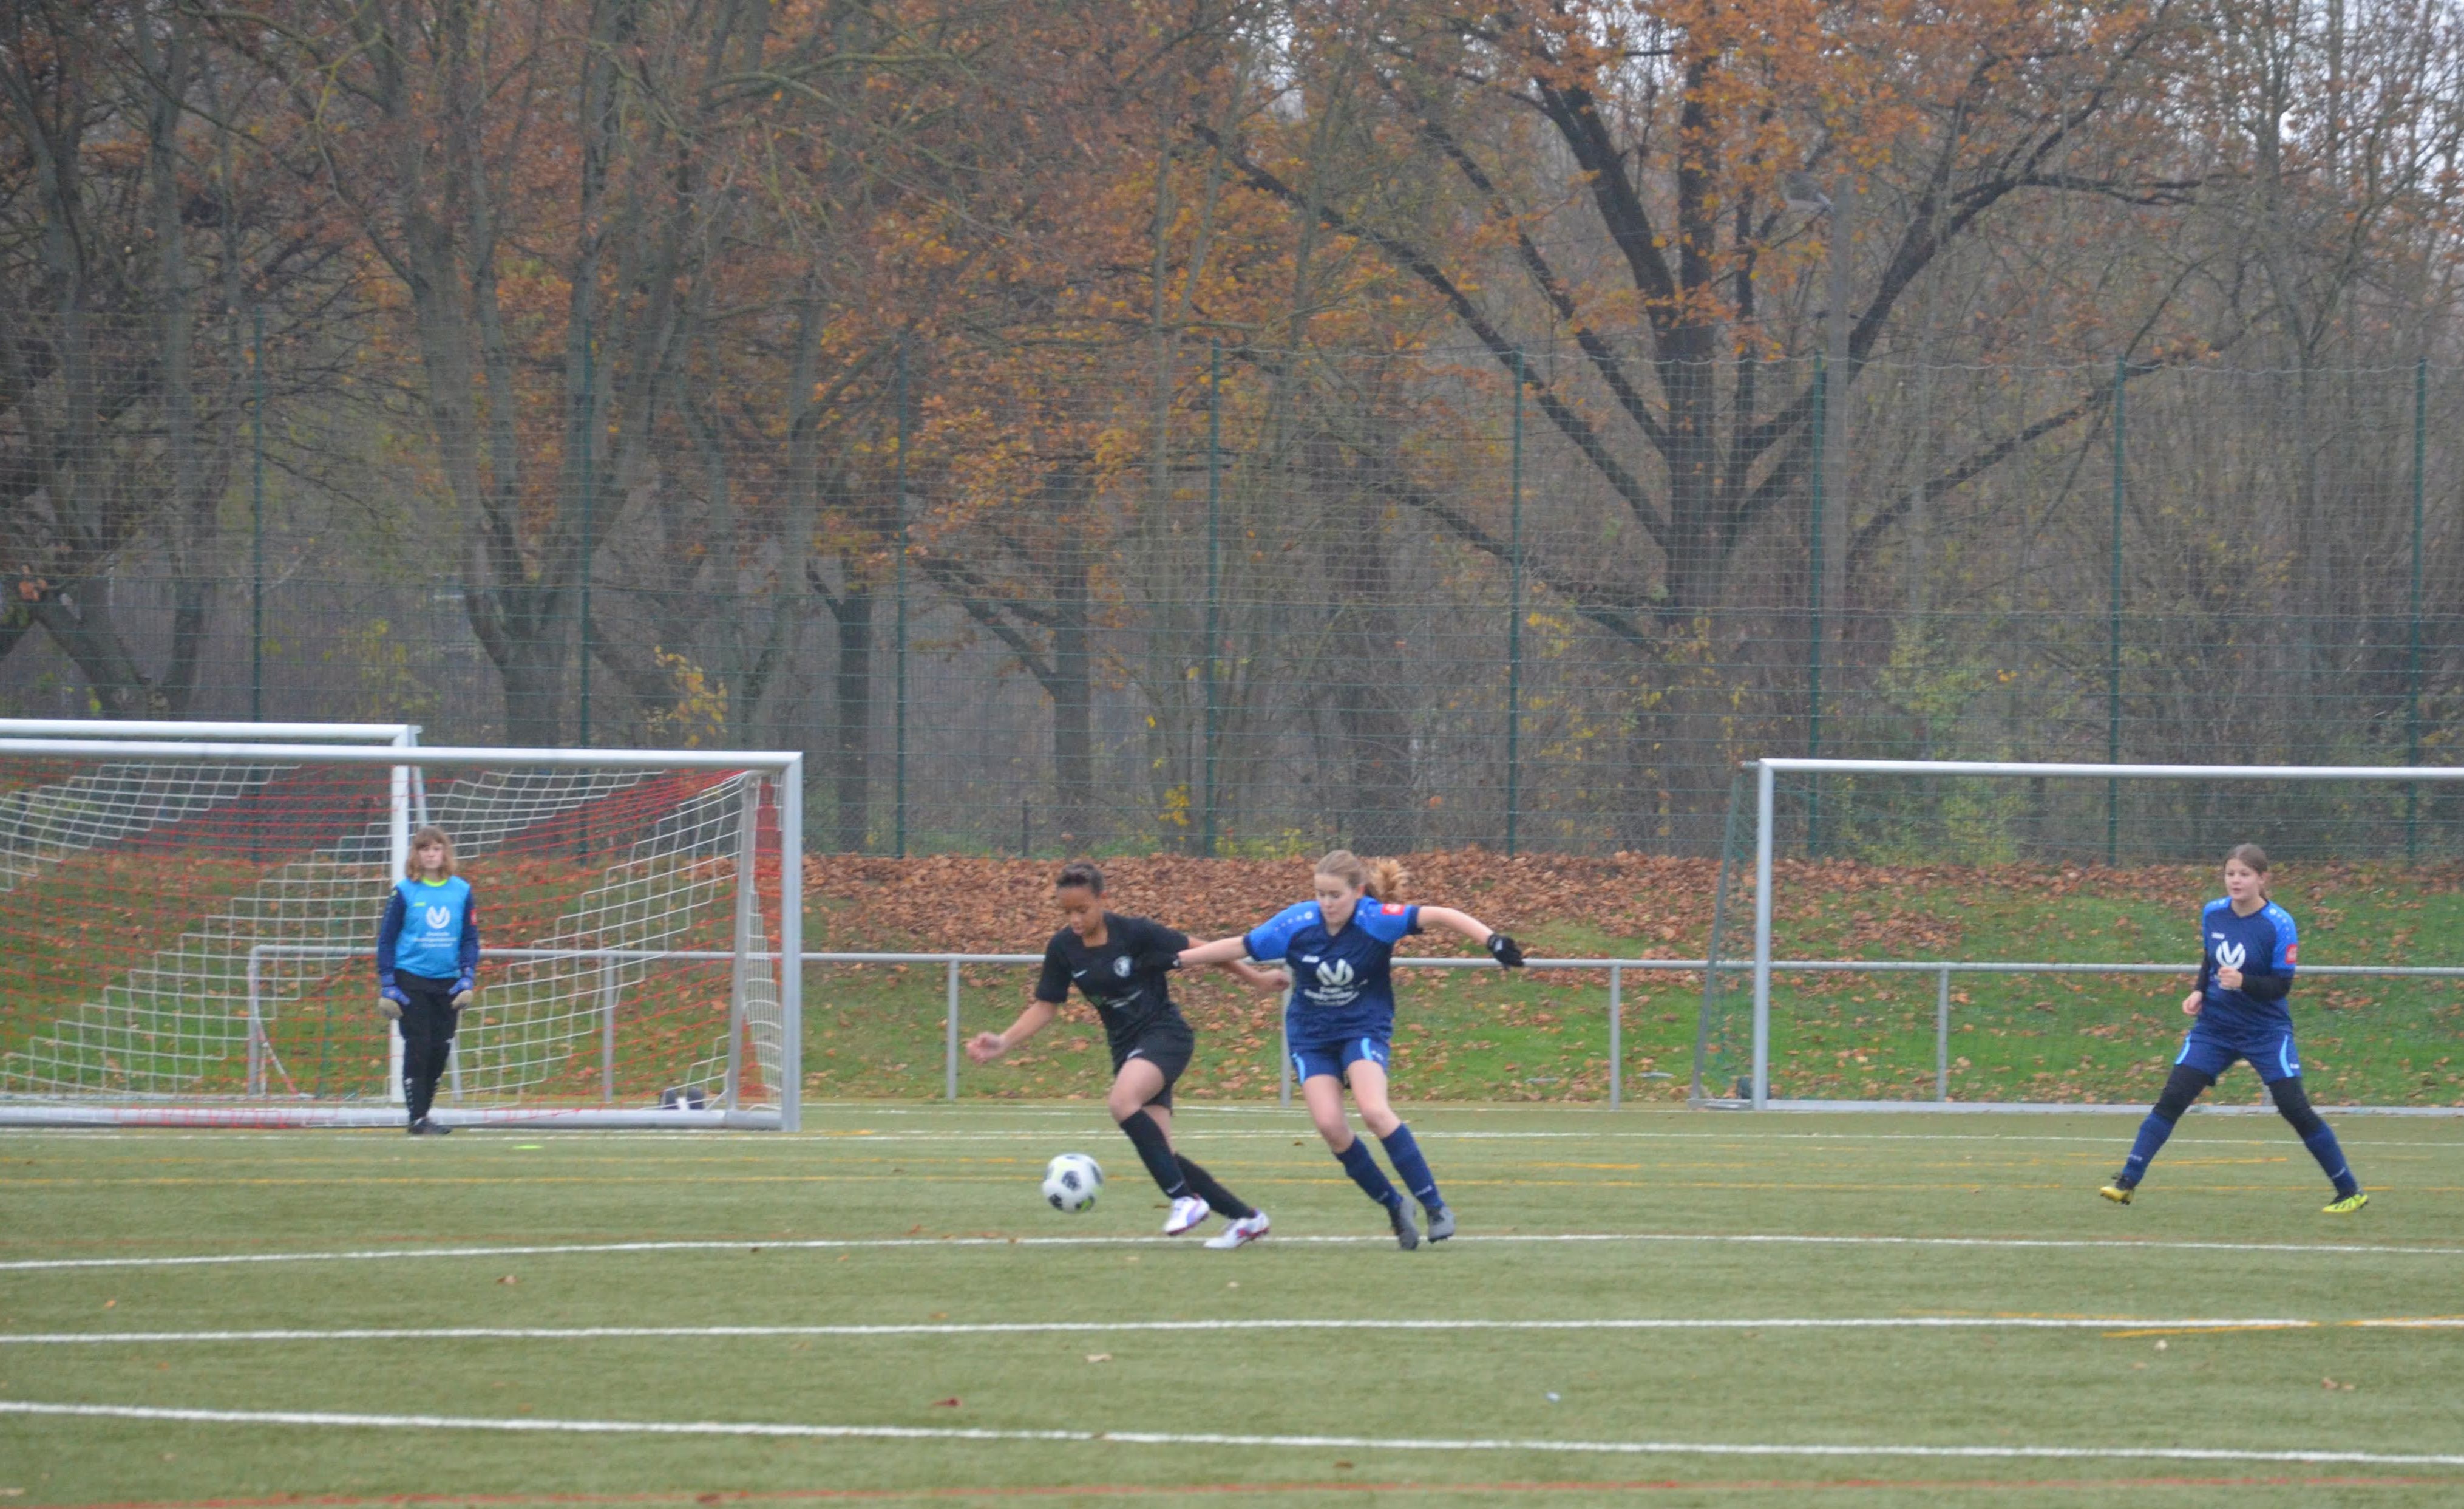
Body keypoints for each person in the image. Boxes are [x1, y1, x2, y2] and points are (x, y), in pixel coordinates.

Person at [1176, 851, 1523, 1249]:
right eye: (1320, 894)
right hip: (1310, 1034)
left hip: (1362, 1025)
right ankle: (1394, 1205)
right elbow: (1237, 945)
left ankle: (1435, 1205)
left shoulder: (1376, 918)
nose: (1326, 903)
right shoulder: (1297, 923)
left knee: (1374, 1110)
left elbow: (1441, 914)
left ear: (1358, 892)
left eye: (1334, 895)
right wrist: (1173, 960)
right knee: (1330, 1127)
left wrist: (1491, 939)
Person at [969, 861, 1283, 1248]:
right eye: (1066, 912)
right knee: (1165, 1155)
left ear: (1103, 899)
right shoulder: (1063, 948)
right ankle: (1246, 1219)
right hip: (1126, 1047)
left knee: (1121, 1102)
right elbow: (1046, 1006)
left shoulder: (1135, 934)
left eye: (1082, 909)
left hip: (1165, 1036)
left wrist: (1256, 978)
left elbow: (1203, 950)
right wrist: (1004, 1041)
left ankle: (1184, 1200)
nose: (1075, 919)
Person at [2101, 843, 2365, 1213]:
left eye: (2244, 874)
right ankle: (2126, 1183)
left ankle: (2349, 1190)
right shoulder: (2213, 913)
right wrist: (2197, 992)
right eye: (2230, 874)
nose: (2236, 881)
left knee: (2294, 1108)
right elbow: (2210, 958)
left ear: (2262, 878)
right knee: (2173, 1098)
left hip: (2265, 1032)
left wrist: (2244, 982)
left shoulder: (2280, 923)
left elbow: (2281, 987)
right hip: (2215, 1029)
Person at [376, 825, 480, 1136]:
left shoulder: (461, 890)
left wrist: (468, 978)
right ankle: (417, 1118)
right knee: (419, 1045)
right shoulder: (405, 891)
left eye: (436, 849)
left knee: (440, 1048)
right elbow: (387, 939)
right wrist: (388, 983)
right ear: (417, 855)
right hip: (412, 980)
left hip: (447, 983)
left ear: (444, 853)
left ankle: (424, 1114)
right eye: (424, 849)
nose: (431, 854)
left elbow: (470, 939)